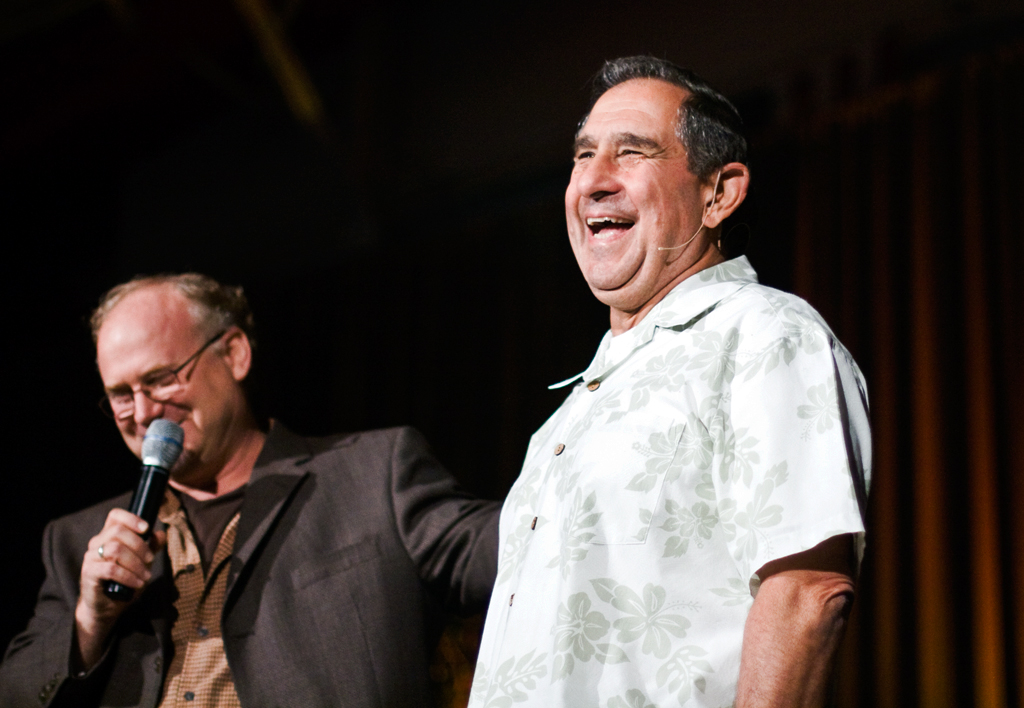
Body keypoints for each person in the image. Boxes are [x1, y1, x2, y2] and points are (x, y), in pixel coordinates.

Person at [469, 56, 871, 708]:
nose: (594, 181)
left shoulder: (765, 333)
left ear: (720, 193)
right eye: (582, 155)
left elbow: (808, 591)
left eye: (632, 152)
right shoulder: (563, 421)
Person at [0, 273, 499, 708]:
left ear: (234, 354)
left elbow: (503, 548)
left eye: (161, 379)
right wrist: (90, 620)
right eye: (120, 395)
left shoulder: (371, 475)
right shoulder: (78, 543)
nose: (144, 411)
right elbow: (17, 693)